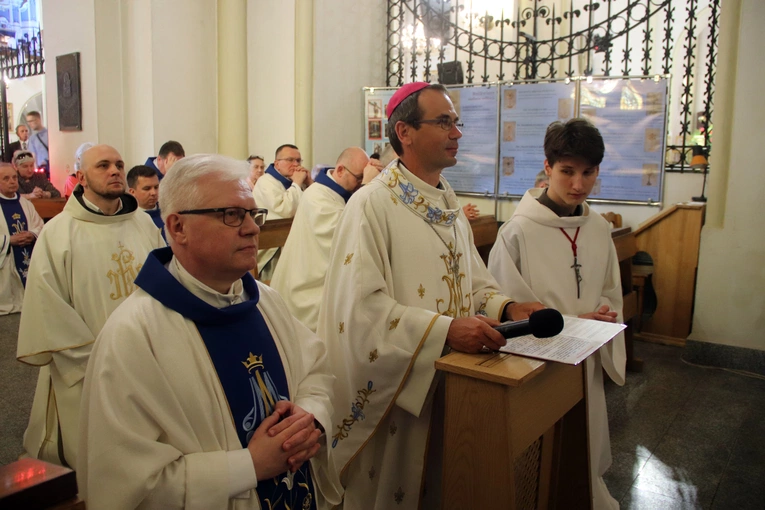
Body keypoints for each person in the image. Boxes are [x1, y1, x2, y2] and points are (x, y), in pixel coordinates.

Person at [316, 82, 542, 509]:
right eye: (444, 122)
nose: (457, 133)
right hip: (400, 399)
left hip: (457, 384)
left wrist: (508, 307)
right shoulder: (371, 206)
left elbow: (469, 282)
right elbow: (360, 310)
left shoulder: (447, 203)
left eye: (456, 122)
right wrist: (445, 331)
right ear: (405, 132)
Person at [78, 154, 341, 509]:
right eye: (231, 215)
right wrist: (248, 466)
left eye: (252, 213)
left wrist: (310, 420)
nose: (252, 228)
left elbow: (315, 373)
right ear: (178, 227)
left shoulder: (265, 301)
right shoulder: (133, 335)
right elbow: (123, 482)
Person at [487, 118, 626, 510]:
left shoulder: (598, 228)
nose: (578, 184)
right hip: (540, 367)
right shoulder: (517, 232)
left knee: (584, 450)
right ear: (548, 167)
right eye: (567, 172)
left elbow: (611, 293)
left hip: (587, 361)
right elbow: (504, 309)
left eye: (588, 173)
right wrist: (575, 322)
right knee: (538, 461)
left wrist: (603, 314)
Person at [16, 144, 165, 468]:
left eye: (118, 164)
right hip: (88, 364)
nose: (114, 170)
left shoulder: (143, 224)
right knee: (99, 458)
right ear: (81, 177)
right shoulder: (59, 232)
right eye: (103, 165)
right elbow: (48, 308)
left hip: (147, 354)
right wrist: (99, 358)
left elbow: (166, 283)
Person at [270, 147, 381, 332]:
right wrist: (368, 186)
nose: (359, 184)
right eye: (358, 178)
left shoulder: (334, 194)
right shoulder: (318, 197)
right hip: (306, 293)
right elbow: (349, 235)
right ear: (339, 170)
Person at [252, 144, 313, 279]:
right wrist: (297, 183)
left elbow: (313, 207)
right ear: (277, 164)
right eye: (290, 160)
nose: (296, 164)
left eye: (298, 160)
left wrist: (309, 183)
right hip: (273, 247)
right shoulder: (266, 182)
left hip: (295, 243)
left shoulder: (294, 181)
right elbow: (285, 210)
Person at [0, 163, 43, 315]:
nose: (12, 181)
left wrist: (31, 234)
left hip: (27, 253)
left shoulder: (25, 203)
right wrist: (9, 240)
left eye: (14, 177)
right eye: (6, 178)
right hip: (6, 258)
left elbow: (40, 225)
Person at [127, 164, 163, 230]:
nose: (154, 193)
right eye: (147, 188)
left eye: (156, 187)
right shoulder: (126, 220)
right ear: (132, 192)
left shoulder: (168, 214)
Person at [26, 111, 49, 177]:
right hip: (40, 169)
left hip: (52, 166)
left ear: (38, 120)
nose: (29, 124)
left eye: (31, 121)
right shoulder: (32, 138)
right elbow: (33, 156)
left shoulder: (49, 134)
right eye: (28, 122)